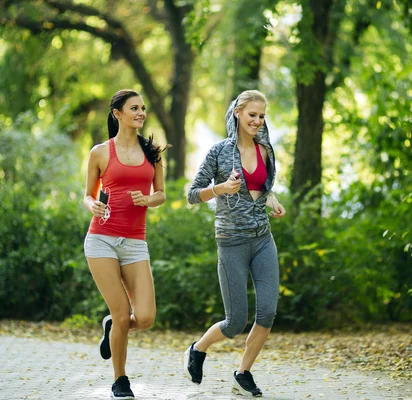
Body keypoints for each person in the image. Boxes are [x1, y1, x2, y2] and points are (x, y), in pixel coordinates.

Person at [185, 90, 286, 397]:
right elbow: (192, 194)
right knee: (235, 322)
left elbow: (263, 187)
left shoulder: (266, 150)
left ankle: (243, 374)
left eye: (262, 116)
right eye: (252, 114)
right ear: (238, 113)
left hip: (262, 239)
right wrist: (220, 188)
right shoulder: (219, 152)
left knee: (267, 312)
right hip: (231, 242)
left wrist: (272, 199)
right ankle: (198, 349)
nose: (257, 121)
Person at [83, 89, 166, 399]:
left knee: (144, 318)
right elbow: (88, 194)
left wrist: (148, 199)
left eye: (143, 107)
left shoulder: (152, 152)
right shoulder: (100, 152)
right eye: (134, 108)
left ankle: (112, 328)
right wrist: (92, 205)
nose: (141, 112)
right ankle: (120, 380)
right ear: (117, 113)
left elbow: (161, 193)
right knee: (121, 314)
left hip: (134, 243)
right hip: (101, 240)